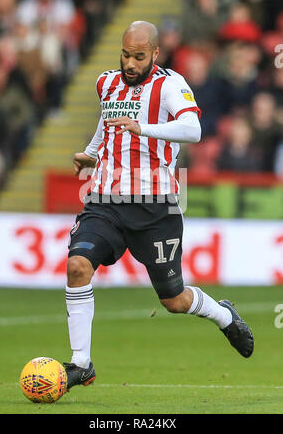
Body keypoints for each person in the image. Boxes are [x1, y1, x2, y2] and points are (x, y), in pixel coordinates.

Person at [63, 21, 254, 389]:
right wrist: (90, 154)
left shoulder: (171, 85)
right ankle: (81, 363)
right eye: (125, 54)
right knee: (77, 266)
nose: (130, 64)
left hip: (156, 207)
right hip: (105, 199)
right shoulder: (106, 82)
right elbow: (107, 123)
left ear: (154, 53)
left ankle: (224, 315)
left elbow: (193, 130)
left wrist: (143, 127)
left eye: (138, 56)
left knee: (174, 299)